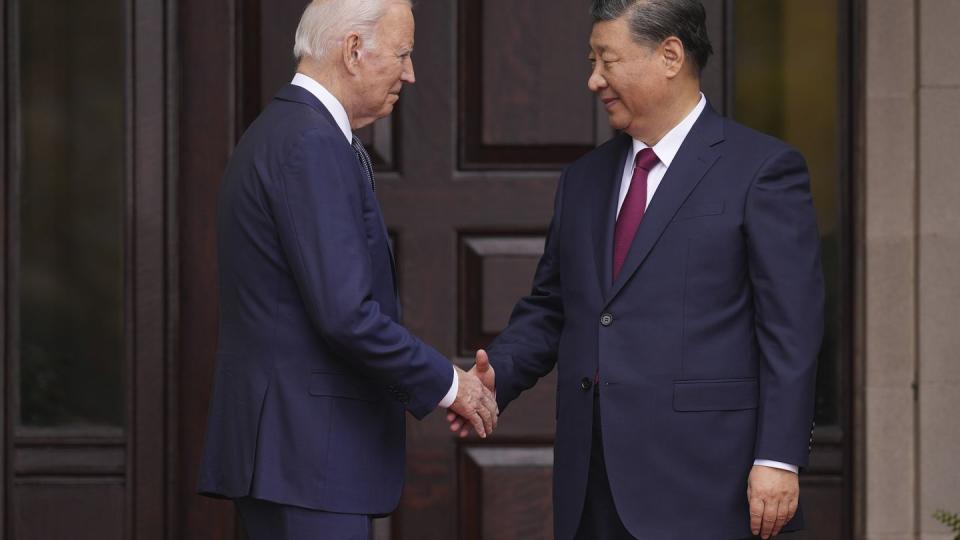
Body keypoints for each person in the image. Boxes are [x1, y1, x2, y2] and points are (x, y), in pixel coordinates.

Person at [450, 0, 823, 538]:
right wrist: (496, 375)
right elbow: (554, 306)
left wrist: (780, 457)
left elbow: (792, 329)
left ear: (670, 55)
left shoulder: (761, 170)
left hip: (711, 484)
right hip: (592, 486)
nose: (593, 80)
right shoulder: (583, 179)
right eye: (591, 61)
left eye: (607, 60)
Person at [197, 1, 497, 538]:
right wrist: (452, 385)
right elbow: (346, 315)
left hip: (293, 458)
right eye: (402, 54)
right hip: (306, 459)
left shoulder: (289, 130)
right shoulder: (309, 141)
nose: (410, 72)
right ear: (354, 51)